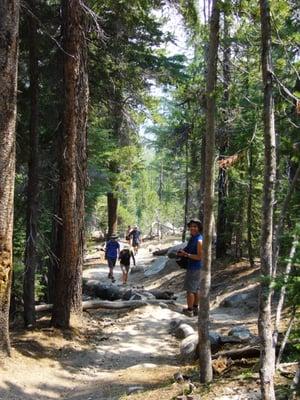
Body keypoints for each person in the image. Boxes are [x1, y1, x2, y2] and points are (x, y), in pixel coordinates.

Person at [177, 218, 203, 317]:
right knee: (196, 289)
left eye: (195, 226)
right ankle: (195, 308)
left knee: (190, 290)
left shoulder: (199, 240)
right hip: (193, 266)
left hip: (195, 268)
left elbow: (199, 257)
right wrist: (182, 252)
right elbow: (188, 249)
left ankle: (190, 310)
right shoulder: (193, 238)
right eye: (191, 226)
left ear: (199, 228)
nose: (192, 228)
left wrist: (187, 255)